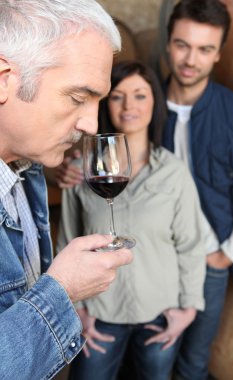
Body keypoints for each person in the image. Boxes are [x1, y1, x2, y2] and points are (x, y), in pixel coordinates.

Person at [0, 1, 133, 379]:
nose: (92, 123)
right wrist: (61, 289)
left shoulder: (29, 171)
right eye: (78, 98)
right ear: (4, 79)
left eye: (97, 102)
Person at [56, 60, 206, 380]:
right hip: (98, 314)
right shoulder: (81, 171)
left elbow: (192, 245)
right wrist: (75, 308)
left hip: (159, 313)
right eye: (117, 96)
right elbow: (67, 241)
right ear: (105, 103)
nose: (128, 106)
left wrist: (188, 308)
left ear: (155, 101)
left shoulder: (174, 172)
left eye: (140, 95)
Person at [162, 1, 233, 379]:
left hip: (209, 263)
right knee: (149, 359)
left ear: (218, 54)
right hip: (156, 261)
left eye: (204, 49)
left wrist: (227, 255)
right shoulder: (139, 104)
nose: (190, 59)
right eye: (183, 45)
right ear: (168, 43)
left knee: (194, 365)